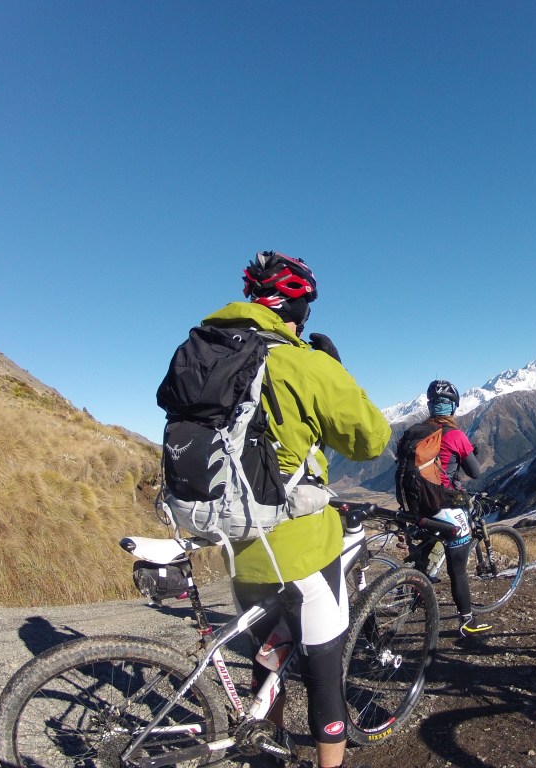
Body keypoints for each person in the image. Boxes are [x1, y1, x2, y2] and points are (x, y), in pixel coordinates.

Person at [204, 250, 390, 768]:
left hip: (238, 543)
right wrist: (334, 372)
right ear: (300, 307)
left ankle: (269, 754)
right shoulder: (303, 363)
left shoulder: (213, 358)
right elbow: (372, 439)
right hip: (299, 546)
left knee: (268, 665)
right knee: (324, 676)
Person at [404, 379, 492, 638]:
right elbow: (474, 473)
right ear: (453, 408)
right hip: (445, 506)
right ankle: (467, 621)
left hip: (417, 504)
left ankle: (414, 590)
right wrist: (467, 453)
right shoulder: (456, 436)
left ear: (430, 405)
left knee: (426, 550)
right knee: (458, 569)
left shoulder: (414, 433)